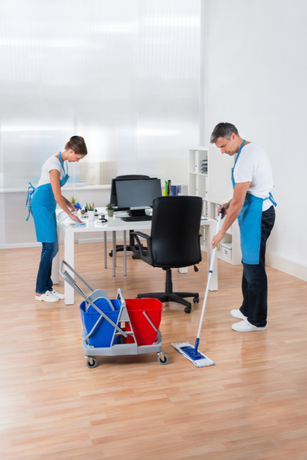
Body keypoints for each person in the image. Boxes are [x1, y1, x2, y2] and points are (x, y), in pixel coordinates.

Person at [210, 123, 276, 332]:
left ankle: (257, 321)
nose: (222, 151)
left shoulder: (244, 160)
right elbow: (244, 193)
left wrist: (221, 232)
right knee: (248, 262)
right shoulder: (251, 149)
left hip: (258, 217)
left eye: (223, 146)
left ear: (233, 136)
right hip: (257, 212)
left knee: (254, 267)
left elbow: (240, 202)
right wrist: (229, 202)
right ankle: (247, 308)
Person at [26, 136, 87, 302]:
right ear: (71, 151)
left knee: (52, 248)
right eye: (78, 158)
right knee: (49, 248)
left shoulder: (61, 162)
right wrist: (70, 214)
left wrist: (70, 204)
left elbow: (57, 191)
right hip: (41, 206)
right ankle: (40, 291)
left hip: (48, 205)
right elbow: (57, 196)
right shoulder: (54, 165)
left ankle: (48, 288)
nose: (77, 161)